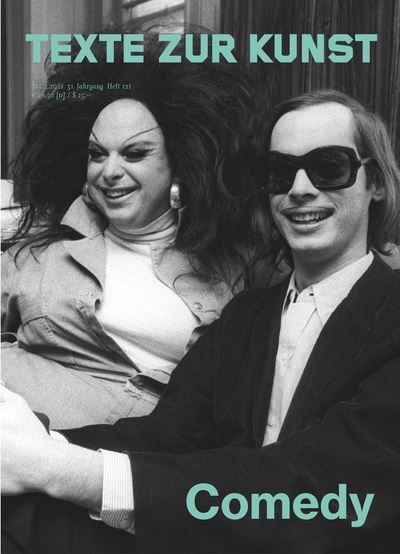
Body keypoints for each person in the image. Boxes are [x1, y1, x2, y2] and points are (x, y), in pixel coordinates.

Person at [2, 89, 400, 553]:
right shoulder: (246, 316)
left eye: (329, 167)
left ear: (376, 183)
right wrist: (38, 444)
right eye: (279, 172)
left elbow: (314, 488)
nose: (299, 188)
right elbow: (167, 433)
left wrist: (62, 469)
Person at [1, 32, 271, 428]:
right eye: (97, 154)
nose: (109, 171)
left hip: (120, 448)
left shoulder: (237, 265)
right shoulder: (41, 249)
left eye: (134, 153)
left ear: (180, 162)